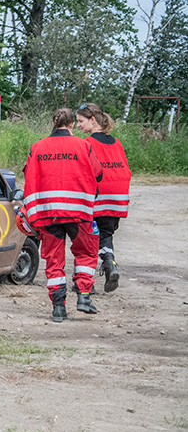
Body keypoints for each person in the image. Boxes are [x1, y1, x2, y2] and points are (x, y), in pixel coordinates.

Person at [23, 108, 103, 322]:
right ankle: (84, 296)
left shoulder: (37, 148)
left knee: (54, 260)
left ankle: (58, 308)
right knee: (86, 253)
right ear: (72, 125)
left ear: (53, 123)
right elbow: (99, 174)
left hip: (48, 215)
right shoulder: (84, 146)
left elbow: (28, 173)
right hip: (78, 213)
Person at [76, 103, 131, 293]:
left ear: (93, 120)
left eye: (81, 121)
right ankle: (110, 263)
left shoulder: (87, 144)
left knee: (86, 239)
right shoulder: (117, 143)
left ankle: (84, 284)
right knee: (105, 235)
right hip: (115, 199)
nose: (78, 126)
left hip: (96, 200)